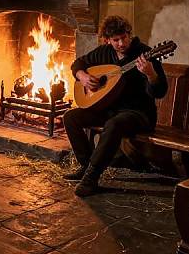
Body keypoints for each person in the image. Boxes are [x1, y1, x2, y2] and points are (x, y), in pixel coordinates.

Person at [63, 15, 168, 197]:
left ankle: (91, 179)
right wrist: (82, 76)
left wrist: (151, 75)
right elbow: (78, 63)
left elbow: (160, 91)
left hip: (138, 114)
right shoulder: (104, 52)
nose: (121, 43)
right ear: (108, 40)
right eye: (116, 40)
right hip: (109, 110)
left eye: (124, 37)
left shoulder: (146, 54)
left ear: (129, 34)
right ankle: (86, 166)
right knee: (71, 117)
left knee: (114, 124)